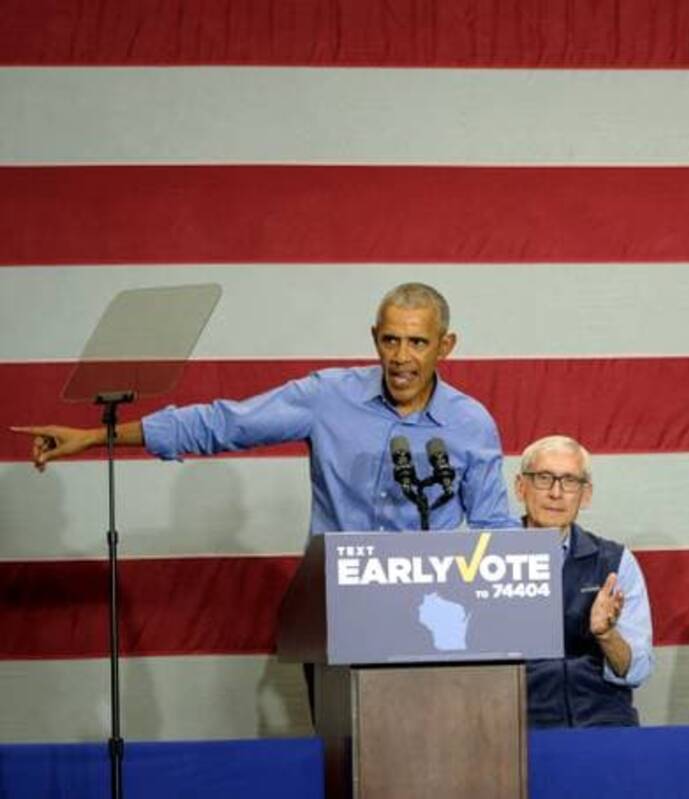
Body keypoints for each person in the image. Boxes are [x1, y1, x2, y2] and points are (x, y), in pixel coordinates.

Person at [11, 282, 515, 533]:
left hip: (439, 615)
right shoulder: (328, 397)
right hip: (334, 610)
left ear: (445, 346)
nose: (401, 358)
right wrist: (97, 436)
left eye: (417, 343)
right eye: (390, 340)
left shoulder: (470, 424)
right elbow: (222, 424)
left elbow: (495, 534)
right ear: (374, 339)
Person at [514, 435, 654, 727]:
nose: (556, 493)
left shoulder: (614, 562)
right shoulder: (487, 558)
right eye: (544, 478)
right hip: (517, 727)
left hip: (603, 722)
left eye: (569, 481)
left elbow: (636, 670)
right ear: (520, 487)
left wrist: (606, 635)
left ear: (585, 494)